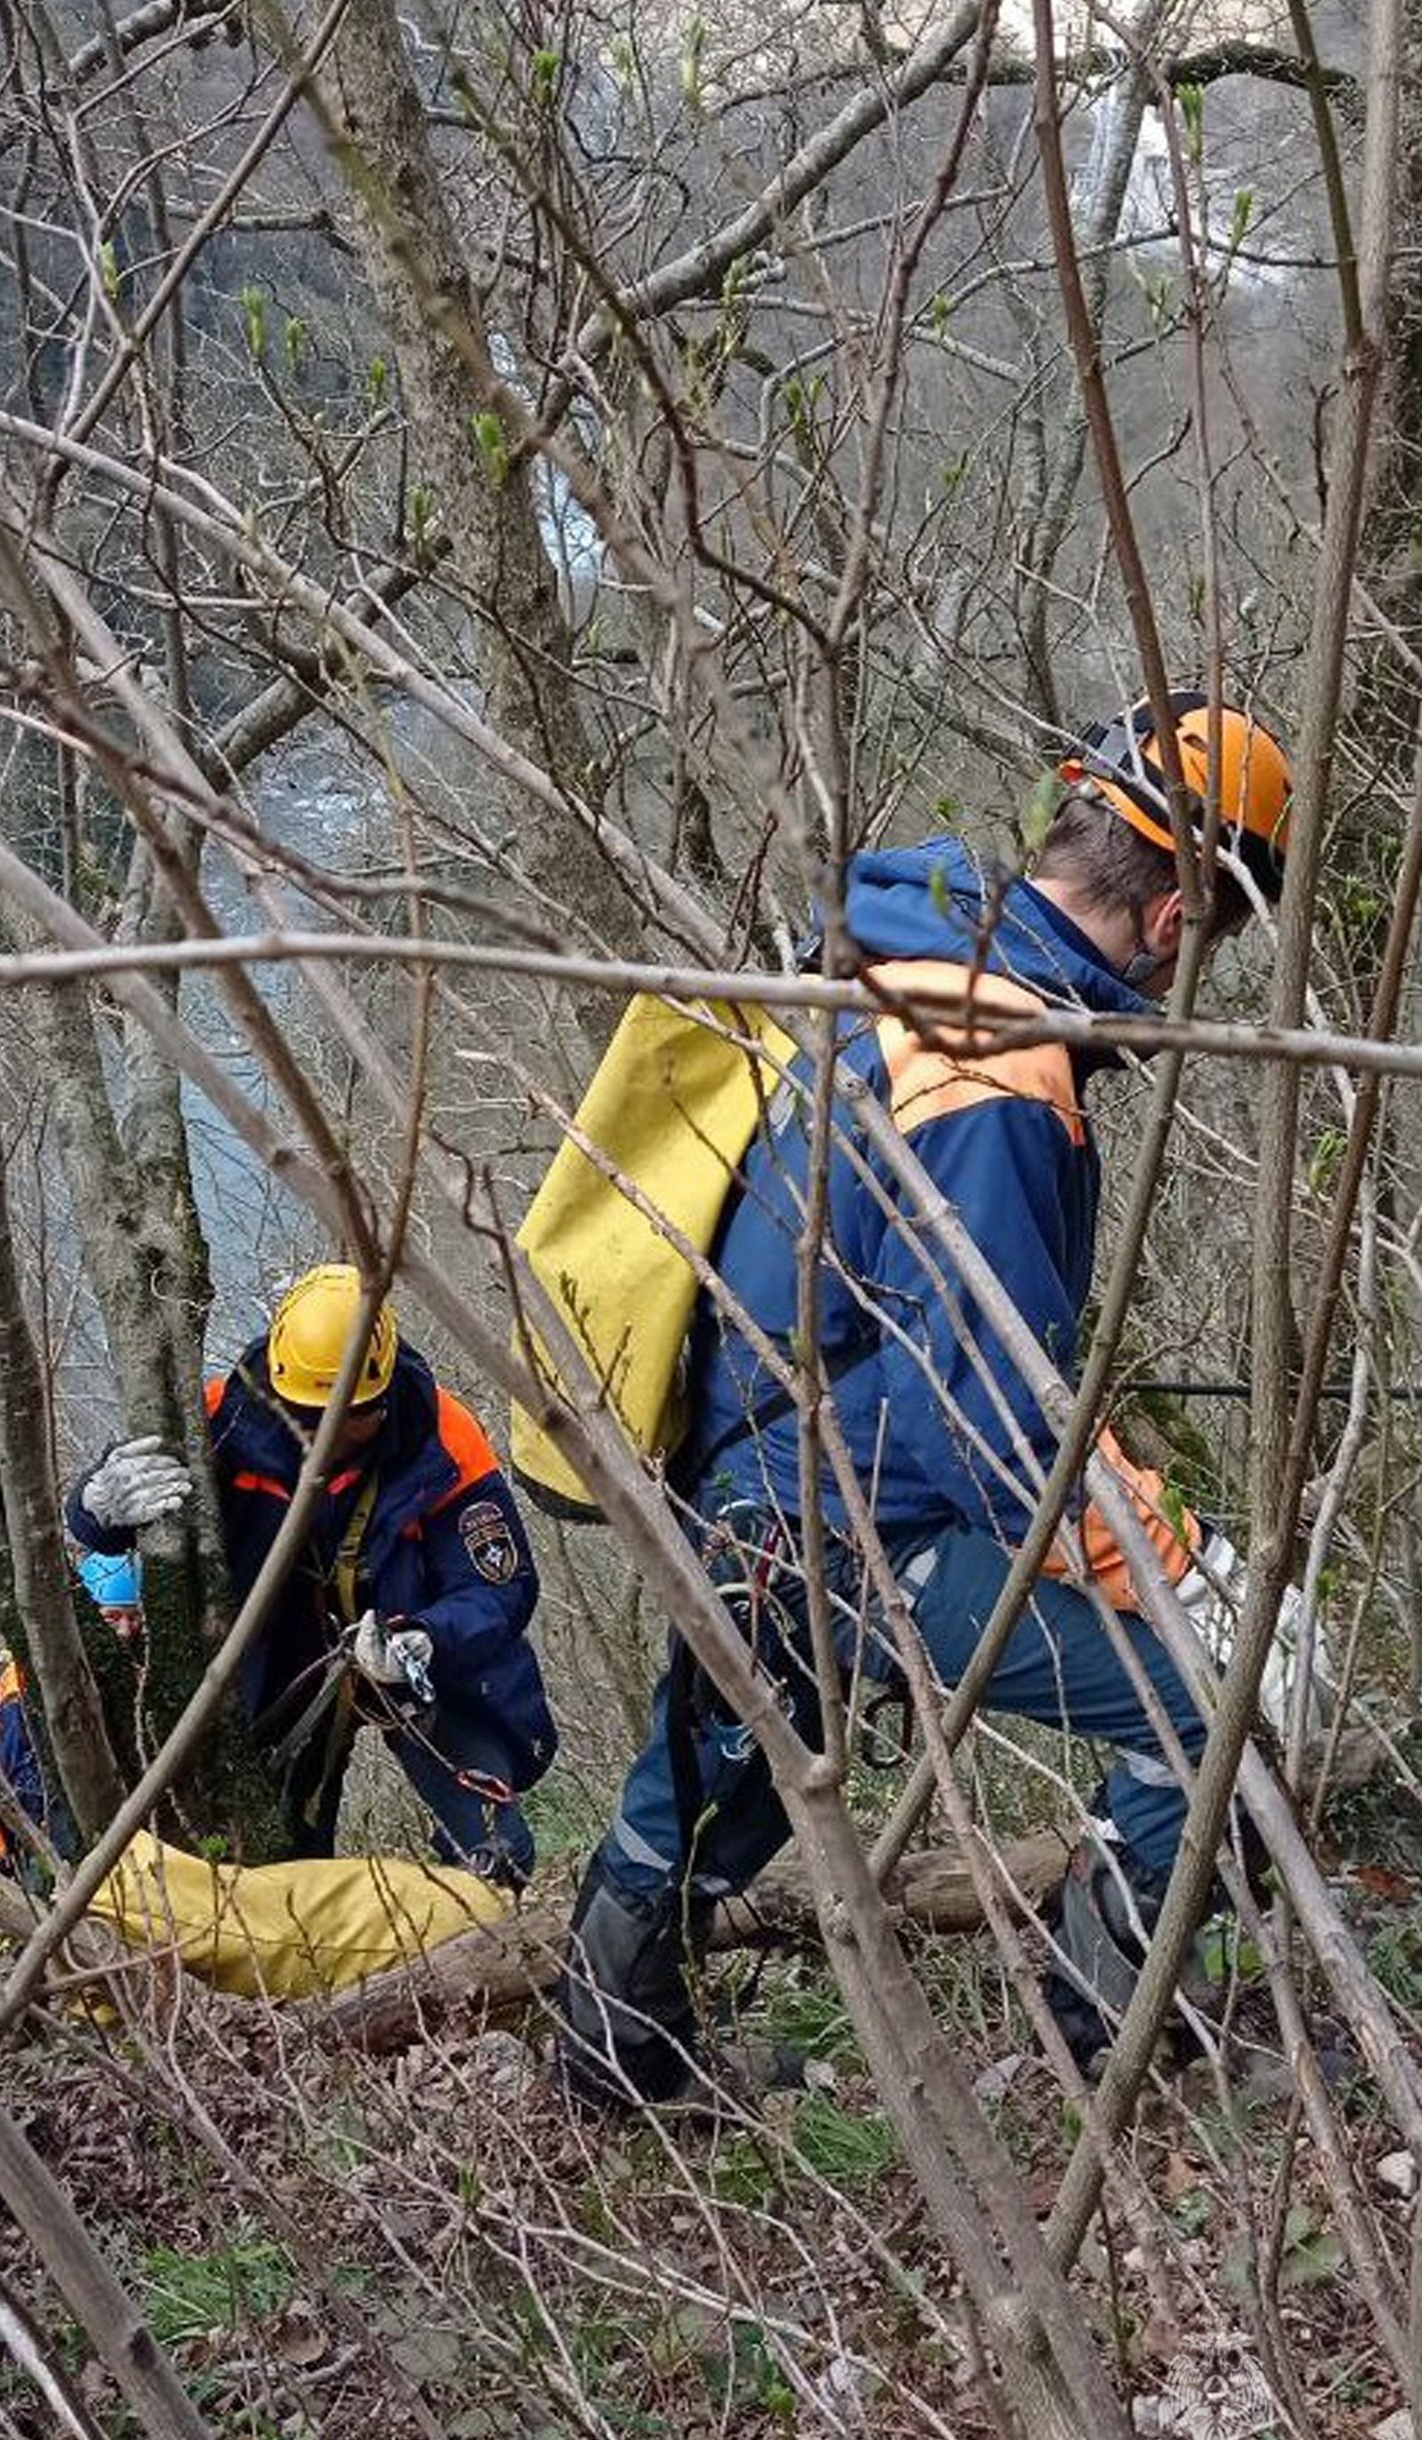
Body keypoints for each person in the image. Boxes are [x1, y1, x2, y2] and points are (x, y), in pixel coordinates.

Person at [556, 687, 1326, 2107]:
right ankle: (1104, 2040)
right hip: (864, 1503)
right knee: (1195, 1726)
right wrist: (1181, 1575)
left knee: (710, 1773)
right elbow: (997, 1422)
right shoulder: (1001, 1070)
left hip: (747, 1470)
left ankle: (611, 2056)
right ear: (1170, 923)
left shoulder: (895, 968)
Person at [66, 1264, 557, 1883]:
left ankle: (490, 1933)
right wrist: (95, 1504)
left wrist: (424, 1641)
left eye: (347, 1416)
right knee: (279, 1853)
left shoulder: (442, 1436)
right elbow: (107, 1520)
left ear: (379, 1399)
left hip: (414, 1657)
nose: (324, 1434)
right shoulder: (220, 1419)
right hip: (277, 1662)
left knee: (495, 1848)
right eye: (306, 1412)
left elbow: (499, 1586)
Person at [0, 1549, 142, 1874]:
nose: (125, 1630)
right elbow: (27, 1781)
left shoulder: (130, 1664)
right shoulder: (25, 1680)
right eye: (113, 1618)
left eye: (133, 1617)